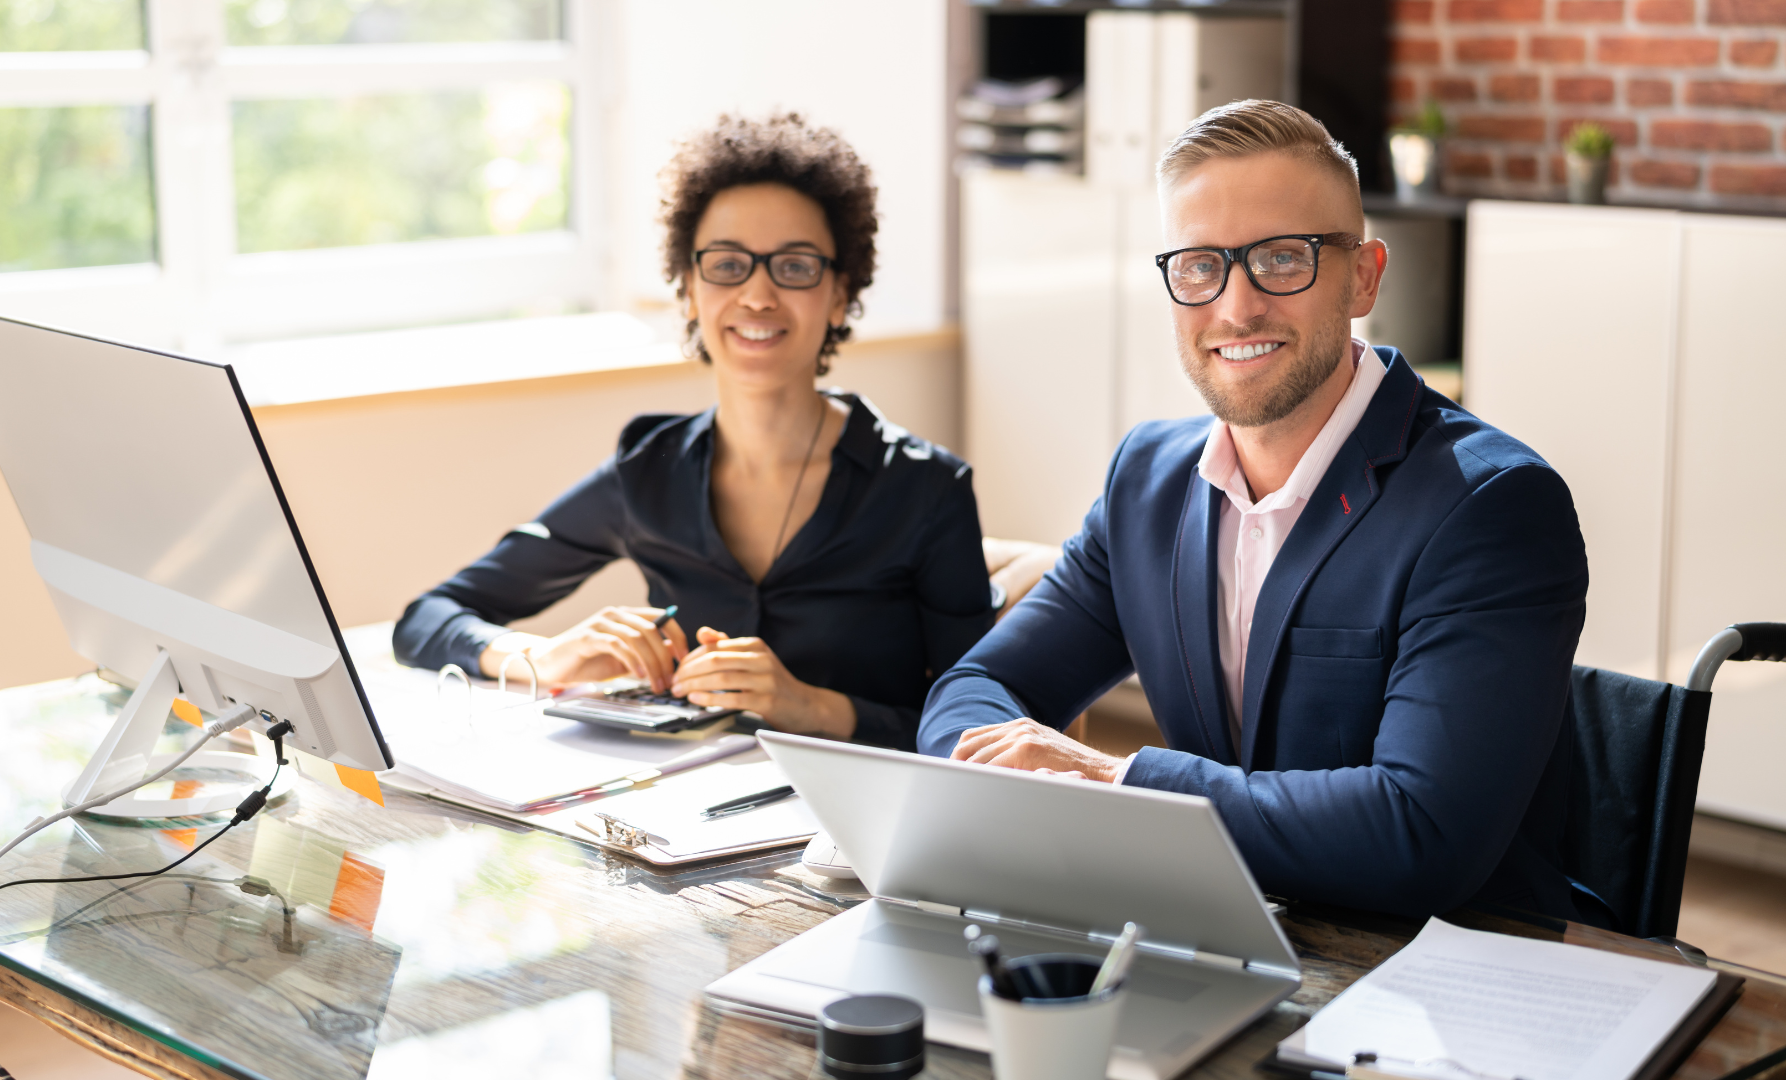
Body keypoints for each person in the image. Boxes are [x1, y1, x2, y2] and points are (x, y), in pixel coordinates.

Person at [918, 100, 1592, 922]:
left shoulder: (1490, 506)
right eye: (1200, 265)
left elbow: (1421, 837)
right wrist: (1014, 770)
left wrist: (1116, 781)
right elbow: (979, 683)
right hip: (1219, 936)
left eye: (1281, 258)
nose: (1236, 308)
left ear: (1364, 276)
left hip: (1439, 986)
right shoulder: (1148, 481)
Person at [395, 113, 995, 751]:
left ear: (841, 294)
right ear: (688, 290)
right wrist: (547, 656)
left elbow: (985, 724)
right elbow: (426, 620)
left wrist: (813, 708)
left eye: (794, 267)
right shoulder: (647, 473)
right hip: (673, 812)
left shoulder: (928, 491)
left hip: (858, 830)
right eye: (728, 265)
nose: (758, 295)